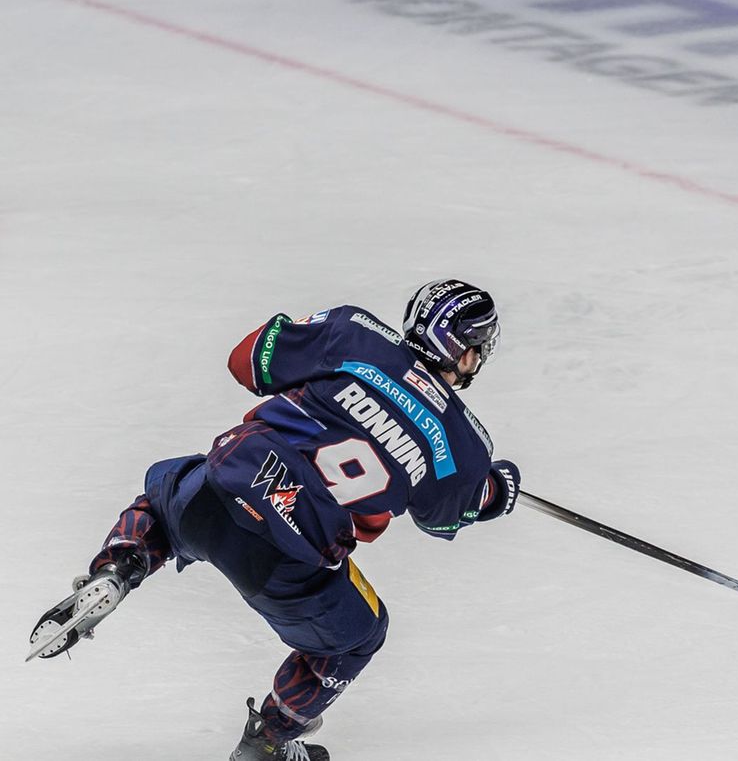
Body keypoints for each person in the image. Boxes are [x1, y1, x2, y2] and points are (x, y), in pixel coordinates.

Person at [28, 279, 522, 761]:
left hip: (222, 490)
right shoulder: (463, 444)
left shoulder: (355, 332)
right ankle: (268, 740)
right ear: (467, 350)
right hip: (288, 557)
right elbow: (444, 519)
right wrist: (495, 487)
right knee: (358, 638)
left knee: (163, 502)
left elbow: (246, 361)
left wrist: (309, 345)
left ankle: (119, 567)